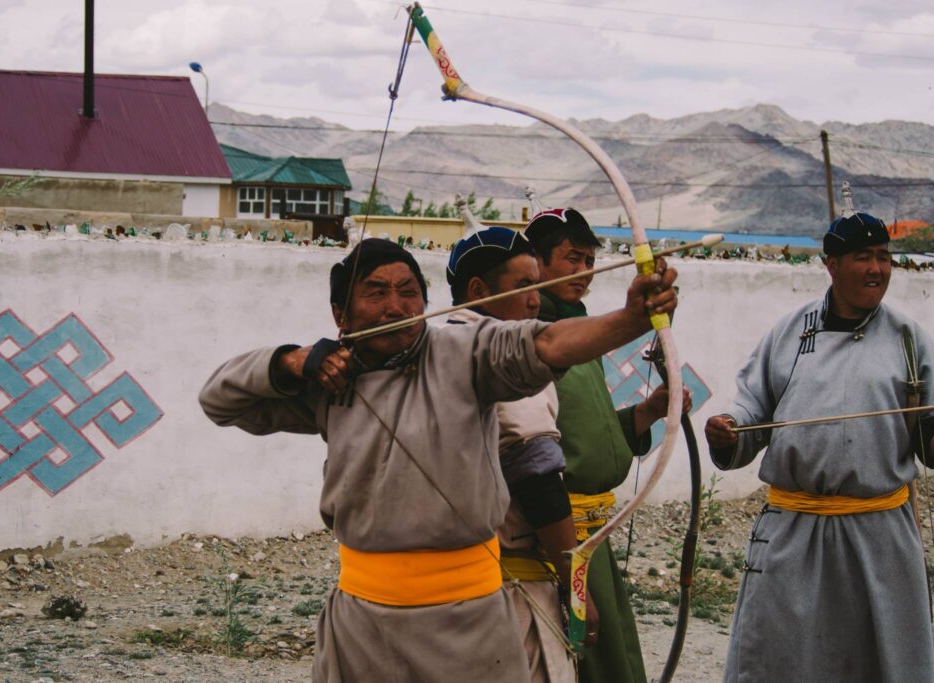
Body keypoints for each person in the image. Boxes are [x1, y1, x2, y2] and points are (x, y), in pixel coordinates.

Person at [199, 238, 677, 682]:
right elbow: (219, 400)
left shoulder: (466, 351)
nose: (395, 306)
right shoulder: (331, 380)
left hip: (467, 623)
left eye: (409, 292)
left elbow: (547, 344)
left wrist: (630, 320)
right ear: (340, 315)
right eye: (376, 293)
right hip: (361, 623)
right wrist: (290, 361)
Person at [704, 209, 934, 682]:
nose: (877, 269)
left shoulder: (911, 342)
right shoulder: (789, 335)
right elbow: (753, 412)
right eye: (862, 257)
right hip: (794, 533)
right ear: (831, 264)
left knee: (881, 660)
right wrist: (728, 428)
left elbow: (929, 442)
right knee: (782, 660)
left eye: (883, 257)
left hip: (880, 536)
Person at [524, 208, 690, 683]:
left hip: (593, 538)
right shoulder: (527, 342)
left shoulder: (580, 330)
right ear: (535, 262)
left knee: (611, 659)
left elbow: (591, 435)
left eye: (589, 262)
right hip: (557, 538)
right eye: (571, 259)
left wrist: (651, 411)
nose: (583, 273)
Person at [445, 226, 576, 683]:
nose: (537, 299)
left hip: (448, 593)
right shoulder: (505, 362)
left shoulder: (432, 353)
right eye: (525, 286)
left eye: (539, 284)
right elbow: (538, 480)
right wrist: (576, 589)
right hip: (509, 590)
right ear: (478, 290)